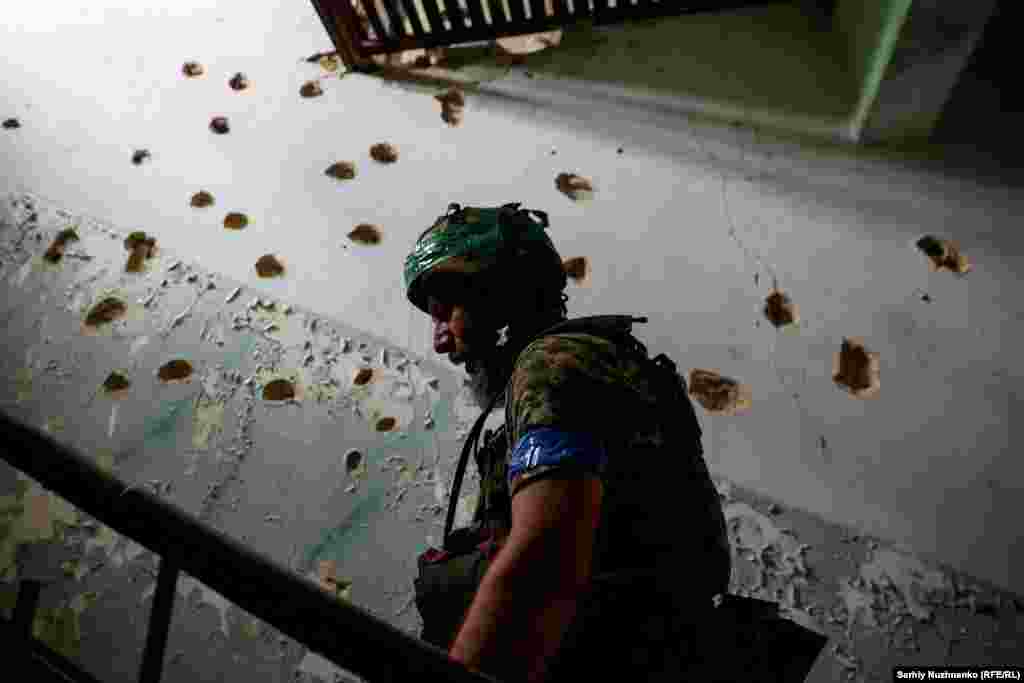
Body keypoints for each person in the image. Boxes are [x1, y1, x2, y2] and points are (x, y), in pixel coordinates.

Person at [405, 202, 733, 682]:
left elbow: (543, 556)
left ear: (503, 298)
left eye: (446, 312)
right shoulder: (586, 364)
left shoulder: (551, 365)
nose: (439, 341)